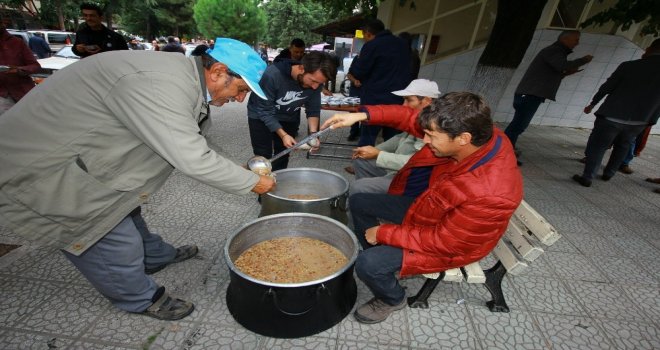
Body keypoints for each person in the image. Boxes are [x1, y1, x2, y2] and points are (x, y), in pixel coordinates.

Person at [0, 37, 275, 321]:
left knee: (126, 207)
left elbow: (193, 139)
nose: (240, 99)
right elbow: (191, 157)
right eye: (241, 90)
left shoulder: (183, 78)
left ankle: (154, 256)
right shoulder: (160, 84)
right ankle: (140, 298)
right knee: (106, 232)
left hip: (87, 151)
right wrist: (252, 182)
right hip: (47, 164)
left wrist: (236, 169)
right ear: (218, 71)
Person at [321, 92, 523, 324]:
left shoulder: (491, 192)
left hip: (455, 244)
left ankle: (392, 298)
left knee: (367, 265)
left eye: (431, 136)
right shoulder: (481, 135)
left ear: (463, 138)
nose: (424, 141)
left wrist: (385, 233)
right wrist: (361, 115)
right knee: (360, 200)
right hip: (433, 210)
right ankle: (382, 260)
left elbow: (447, 242)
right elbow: (410, 119)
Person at [572, 39, 660, 187]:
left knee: (598, 145)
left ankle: (588, 176)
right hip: (641, 120)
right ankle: (609, 173)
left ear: (650, 49)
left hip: (612, 115)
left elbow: (607, 87)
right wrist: (651, 119)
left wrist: (593, 103)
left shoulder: (629, 66)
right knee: (624, 145)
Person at [504, 30, 593, 153]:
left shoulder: (557, 52)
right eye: (576, 39)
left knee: (518, 124)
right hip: (530, 94)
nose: (577, 43)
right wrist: (583, 60)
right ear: (565, 39)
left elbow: (552, 73)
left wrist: (566, 73)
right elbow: (561, 65)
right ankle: (504, 151)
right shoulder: (554, 50)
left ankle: (506, 149)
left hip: (531, 94)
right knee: (519, 125)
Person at [347, 79, 440, 195]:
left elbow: (415, 162)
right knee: (361, 160)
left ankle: (367, 198)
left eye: (409, 100)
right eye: (404, 100)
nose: (404, 105)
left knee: (359, 187)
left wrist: (378, 154)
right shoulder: (421, 119)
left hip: (409, 180)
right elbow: (400, 138)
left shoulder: (435, 127)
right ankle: (370, 200)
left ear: (427, 101)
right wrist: (375, 150)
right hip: (398, 170)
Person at [247, 50, 336, 171]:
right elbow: (265, 111)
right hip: (260, 113)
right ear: (301, 68)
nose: (315, 87)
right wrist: (283, 135)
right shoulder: (272, 75)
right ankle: (262, 185)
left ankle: (277, 182)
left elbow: (313, 109)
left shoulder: (317, 82)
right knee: (263, 155)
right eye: (313, 81)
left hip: (288, 114)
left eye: (319, 83)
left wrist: (313, 135)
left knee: (283, 153)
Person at [347, 19, 411, 146]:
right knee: (392, 139)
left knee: (368, 137)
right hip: (397, 99)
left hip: (374, 99)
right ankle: (387, 164)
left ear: (368, 33)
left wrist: (356, 68)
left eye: (364, 36)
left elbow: (359, 72)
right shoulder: (403, 44)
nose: (365, 39)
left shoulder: (372, 45)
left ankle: (361, 165)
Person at [0, 22, 41, 115]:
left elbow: (35, 66)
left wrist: (19, 70)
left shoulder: (17, 43)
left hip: (24, 92)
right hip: (3, 96)